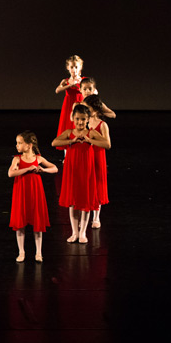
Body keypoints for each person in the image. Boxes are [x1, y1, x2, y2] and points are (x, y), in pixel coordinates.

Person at [52, 104, 108, 243]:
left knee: (86, 202)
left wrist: (90, 141)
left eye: (83, 119)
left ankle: (83, 233)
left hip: (87, 172)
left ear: (88, 119)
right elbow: (54, 142)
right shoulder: (69, 132)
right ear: (73, 118)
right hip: (73, 172)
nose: (80, 122)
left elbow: (107, 144)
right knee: (73, 202)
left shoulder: (91, 133)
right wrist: (71, 141)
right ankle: (74, 232)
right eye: (77, 119)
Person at [7, 131, 58, 263]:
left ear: (29, 145)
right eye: (17, 143)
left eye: (20, 143)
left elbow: (55, 168)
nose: (17, 145)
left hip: (35, 193)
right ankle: (21, 251)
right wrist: (28, 169)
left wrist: (43, 170)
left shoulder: (39, 158)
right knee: (20, 222)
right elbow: (11, 173)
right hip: (21, 193)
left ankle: (39, 252)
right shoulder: (17, 159)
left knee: (37, 221)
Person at [84, 94, 112, 228]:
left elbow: (107, 144)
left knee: (97, 184)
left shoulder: (102, 125)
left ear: (94, 110)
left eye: (87, 108)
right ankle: (85, 216)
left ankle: (96, 217)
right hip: (85, 156)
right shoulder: (83, 122)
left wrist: (91, 140)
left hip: (97, 156)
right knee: (85, 184)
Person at [54, 55, 84, 147]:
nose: (74, 69)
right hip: (68, 106)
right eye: (71, 67)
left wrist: (79, 87)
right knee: (67, 126)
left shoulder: (83, 80)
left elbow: (95, 91)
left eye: (76, 67)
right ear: (68, 68)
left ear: (80, 68)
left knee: (80, 125)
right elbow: (57, 90)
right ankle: (66, 154)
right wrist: (69, 86)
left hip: (80, 104)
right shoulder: (65, 81)